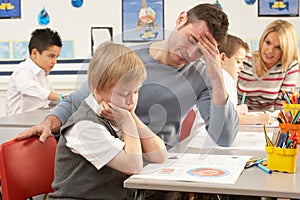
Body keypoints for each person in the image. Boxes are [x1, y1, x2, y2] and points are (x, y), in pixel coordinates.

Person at [16, 3, 239, 150]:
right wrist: (50, 122)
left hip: (160, 165)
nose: (191, 54)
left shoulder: (203, 74)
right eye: (191, 40)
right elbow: (78, 99)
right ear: (181, 19)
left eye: (202, 50)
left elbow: (224, 138)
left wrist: (217, 77)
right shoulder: (127, 56)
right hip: (115, 159)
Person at [47, 42, 167, 199]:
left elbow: (159, 156)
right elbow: (134, 165)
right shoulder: (84, 126)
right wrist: (127, 123)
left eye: (136, 91)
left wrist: (132, 117)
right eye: (124, 93)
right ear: (96, 88)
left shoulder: (117, 115)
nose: (131, 101)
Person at [237, 19, 300, 112]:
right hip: (239, 118)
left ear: (286, 50)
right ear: (263, 40)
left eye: (278, 47)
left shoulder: (289, 67)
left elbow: (281, 109)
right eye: (268, 42)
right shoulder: (243, 60)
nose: (270, 50)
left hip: (268, 120)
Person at [6, 28, 63, 116]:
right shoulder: (23, 69)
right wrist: (58, 97)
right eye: (51, 56)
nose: (55, 61)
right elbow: (29, 87)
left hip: (34, 121)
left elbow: (53, 100)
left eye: (56, 57)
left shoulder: (42, 74)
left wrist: (66, 100)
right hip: (18, 124)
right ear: (35, 53)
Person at [219, 34, 273, 125]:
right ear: (223, 58)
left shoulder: (227, 79)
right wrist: (258, 119)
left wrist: (236, 109)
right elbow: (225, 119)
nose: (242, 67)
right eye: (238, 61)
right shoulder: (223, 79)